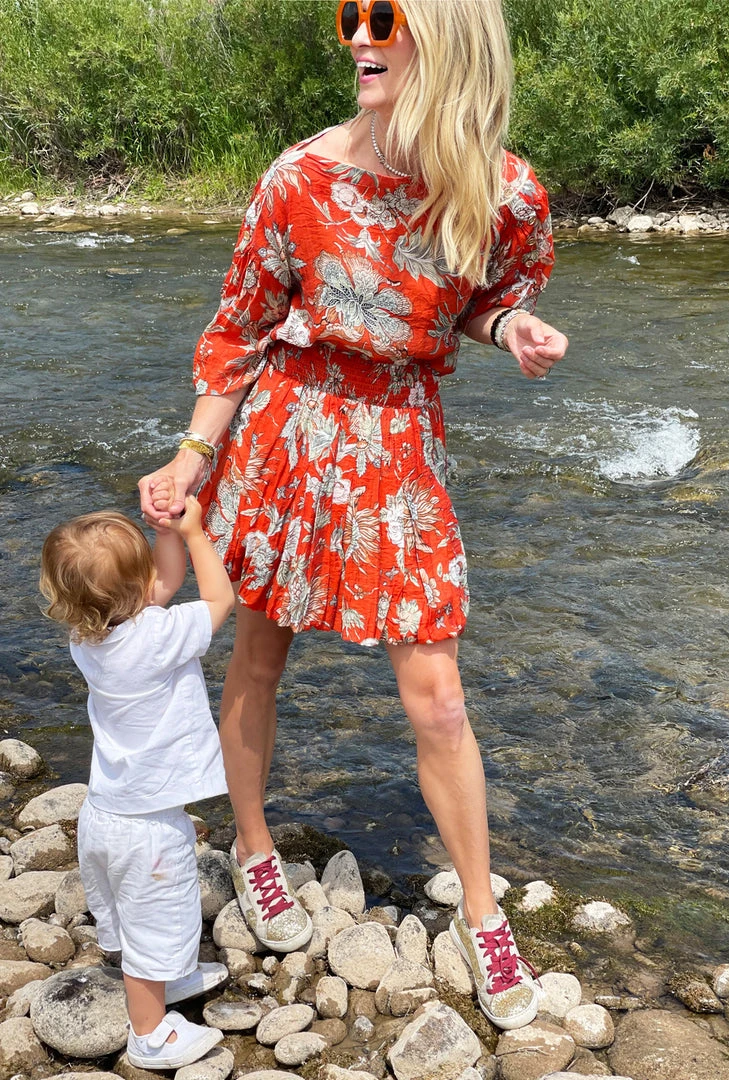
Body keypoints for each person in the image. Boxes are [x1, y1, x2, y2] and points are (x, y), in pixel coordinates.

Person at [139, 0, 568, 1030]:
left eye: (387, 18)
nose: (363, 38)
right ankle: (253, 849)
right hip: (286, 432)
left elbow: (478, 295)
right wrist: (195, 452)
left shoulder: (505, 188)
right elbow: (241, 326)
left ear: (450, 37)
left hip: (400, 444)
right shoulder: (298, 175)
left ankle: (480, 909)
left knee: (439, 698)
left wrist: (511, 324)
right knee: (257, 656)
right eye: (352, 18)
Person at [39, 496, 235, 1068]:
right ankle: (150, 1033)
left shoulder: (89, 640)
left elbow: (159, 587)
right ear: (139, 590)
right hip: (148, 830)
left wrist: (161, 533)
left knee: (128, 916)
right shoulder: (156, 637)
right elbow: (220, 599)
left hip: (104, 815)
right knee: (156, 914)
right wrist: (194, 533)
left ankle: (166, 978)